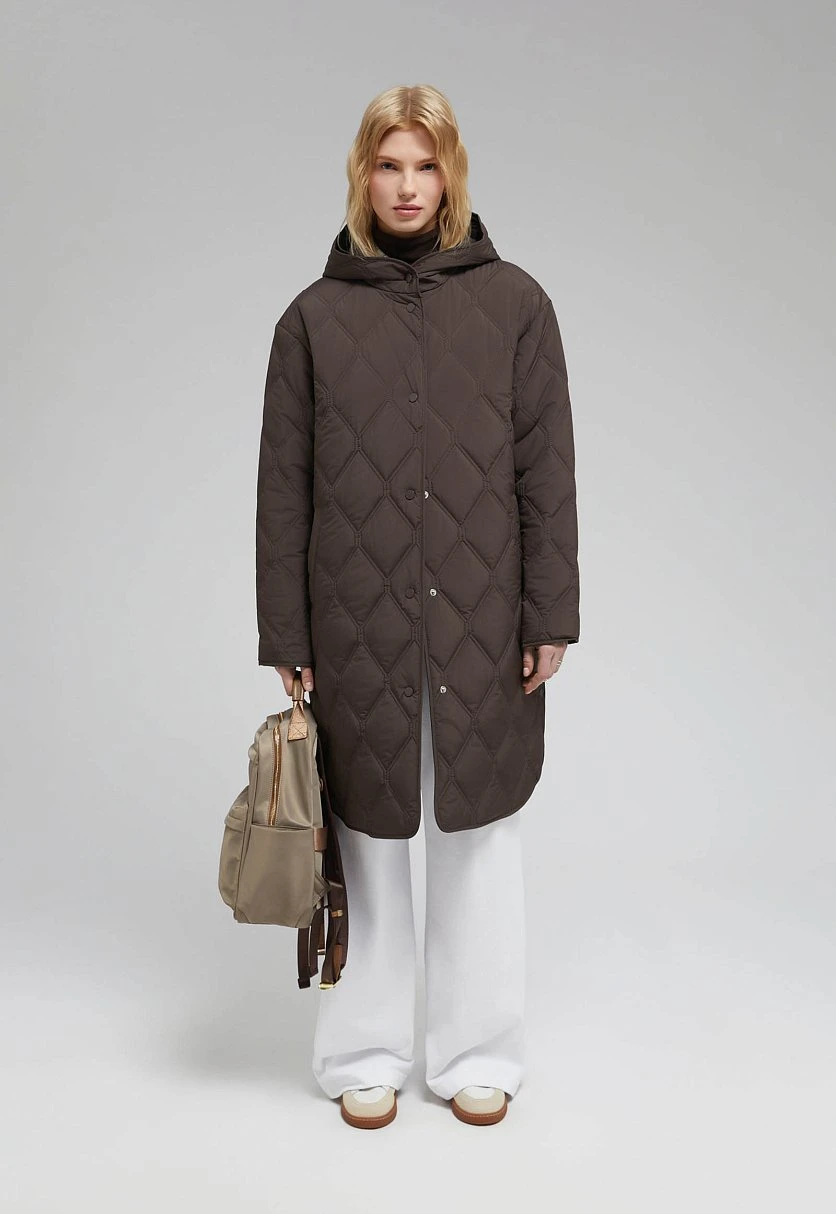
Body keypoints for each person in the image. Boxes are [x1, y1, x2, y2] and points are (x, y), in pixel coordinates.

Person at [255, 84, 581, 1129]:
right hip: (355, 617)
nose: (407, 187)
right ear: (362, 175)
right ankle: (363, 1050)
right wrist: (286, 630)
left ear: (452, 175)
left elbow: (546, 474)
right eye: (388, 165)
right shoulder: (311, 321)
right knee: (364, 834)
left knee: (476, 834)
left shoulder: (517, 305)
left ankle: (478, 1049)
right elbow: (283, 490)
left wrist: (549, 613)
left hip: (483, 621)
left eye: (425, 166)